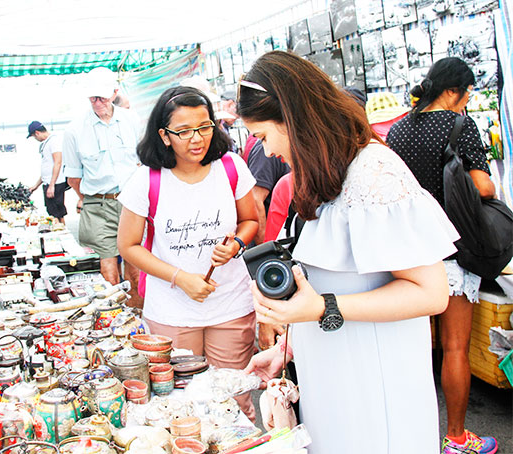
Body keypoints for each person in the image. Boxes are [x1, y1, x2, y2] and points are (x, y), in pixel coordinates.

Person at [238, 51, 458, 454]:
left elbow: (431, 293)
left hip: (374, 391)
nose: (266, 151)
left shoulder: (373, 171)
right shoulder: (325, 173)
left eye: (263, 136)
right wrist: (288, 348)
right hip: (334, 383)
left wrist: (322, 308)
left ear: (292, 119)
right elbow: (336, 286)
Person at [117, 86, 259, 420]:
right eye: (183, 131)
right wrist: (180, 278)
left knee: (234, 401)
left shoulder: (231, 167)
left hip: (231, 305)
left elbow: (250, 220)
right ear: (164, 136)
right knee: (180, 406)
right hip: (171, 312)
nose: (197, 139)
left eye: (204, 127)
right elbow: (128, 246)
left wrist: (237, 244)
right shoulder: (146, 180)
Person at [386, 57, 497, 454]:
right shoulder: (460, 126)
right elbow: (484, 186)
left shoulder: (398, 130)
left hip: (408, 254)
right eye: (467, 95)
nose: (467, 103)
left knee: (412, 348)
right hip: (452, 250)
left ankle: (409, 436)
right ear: (453, 92)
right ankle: (456, 437)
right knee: (454, 348)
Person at [62, 67, 142, 307]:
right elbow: (73, 178)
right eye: (92, 98)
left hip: (132, 203)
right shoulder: (74, 130)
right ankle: (114, 315)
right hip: (99, 203)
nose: (97, 103)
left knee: (135, 267)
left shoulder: (132, 121)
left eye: (102, 97)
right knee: (108, 268)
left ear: (115, 93)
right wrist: (90, 198)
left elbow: (144, 163)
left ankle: (136, 316)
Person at [26, 120, 68, 222]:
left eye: (34, 137)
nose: (35, 139)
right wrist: (36, 185)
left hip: (55, 184)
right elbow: (47, 168)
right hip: (49, 183)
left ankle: (61, 233)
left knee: (57, 213)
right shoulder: (47, 143)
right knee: (52, 212)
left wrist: (52, 185)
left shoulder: (54, 141)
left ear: (37, 133)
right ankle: (58, 231)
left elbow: (58, 162)